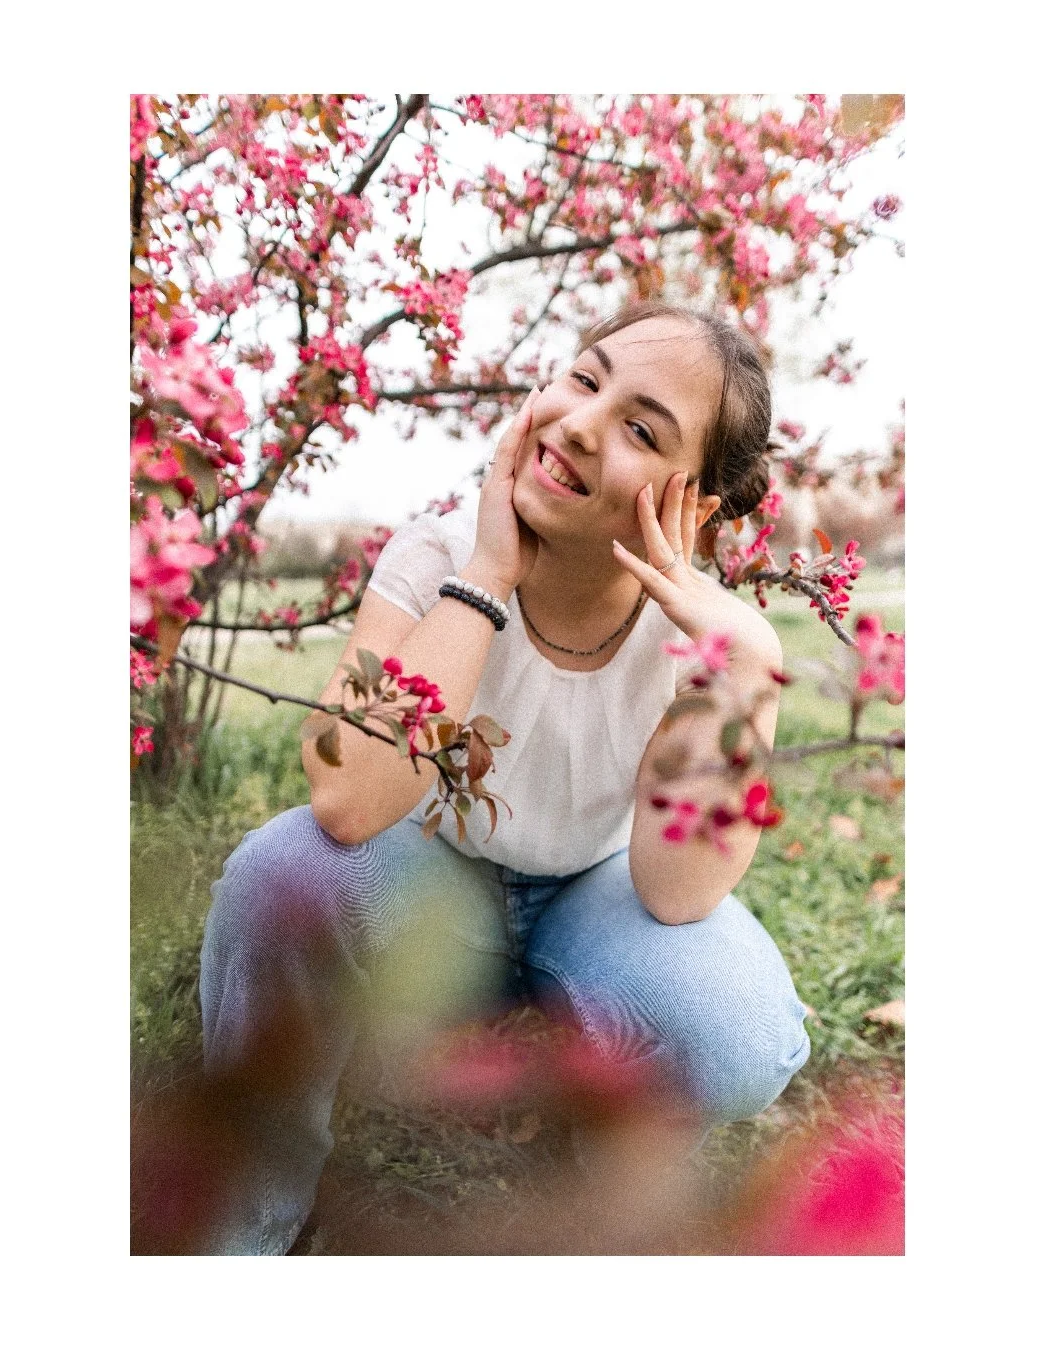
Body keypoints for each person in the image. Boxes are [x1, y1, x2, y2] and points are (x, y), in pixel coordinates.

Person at [199, 301, 811, 1255]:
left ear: (699, 504)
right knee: (283, 872)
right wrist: (485, 577)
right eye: (584, 377)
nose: (578, 423)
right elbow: (346, 797)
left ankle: (598, 1133)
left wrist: (743, 669)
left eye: (639, 428)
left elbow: (677, 891)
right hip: (433, 887)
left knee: (736, 1028)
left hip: (594, 902)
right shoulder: (435, 554)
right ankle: (248, 1221)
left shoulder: (701, 636)